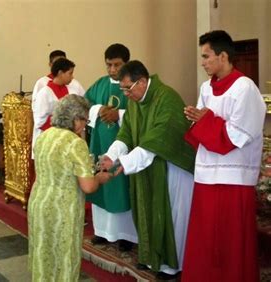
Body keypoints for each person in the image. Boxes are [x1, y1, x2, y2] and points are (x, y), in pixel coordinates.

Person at [182, 30, 266, 282]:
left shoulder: (245, 88)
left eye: (206, 56)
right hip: (207, 174)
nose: (203, 62)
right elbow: (202, 125)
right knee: (206, 237)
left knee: (229, 240)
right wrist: (197, 120)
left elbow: (237, 135)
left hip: (234, 176)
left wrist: (205, 121)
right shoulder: (205, 87)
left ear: (223, 55)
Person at [100, 60, 195, 279]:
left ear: (142, 81)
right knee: (147, 210)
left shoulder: (167, 99)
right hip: (146, 164)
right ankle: (153, 258)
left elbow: (156, 139)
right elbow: (126, 132)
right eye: (122, 89)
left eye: (127, 88)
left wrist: (123, 164)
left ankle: (173, 265)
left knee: (172, 217)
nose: (125, 94)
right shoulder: (136, 100)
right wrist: (111, 156)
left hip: (173, 168)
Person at [28, 94, 113, 281]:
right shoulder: (75, 143)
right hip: (63, 208)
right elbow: (88, 186)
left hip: (39, 202)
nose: (85, 125)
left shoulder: (44, 136)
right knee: (64, 256)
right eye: (84, 120)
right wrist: (99, 178)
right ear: (75, 118)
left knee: (43, 253)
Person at [85, 43, 137, 250]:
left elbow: (141, 113)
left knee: (122, 187)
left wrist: (120, 115)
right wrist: (97, 110)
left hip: (125, 148)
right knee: (102, 185)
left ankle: (127, 235)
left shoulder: (133, 85)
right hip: (100, 145)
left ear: (127, 63)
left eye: (117, 65)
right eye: (109, 65)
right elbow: (84, 104)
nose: (113, 70)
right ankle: (103, 232)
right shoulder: (99, 84)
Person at [32, 57, 82, 158]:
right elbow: (39, 121)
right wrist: (63, 126)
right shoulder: (44, 93)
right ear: (60, 73)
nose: (72, 77)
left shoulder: (70, 90)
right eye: (70, 73)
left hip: (65, 139)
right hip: (48, 141)